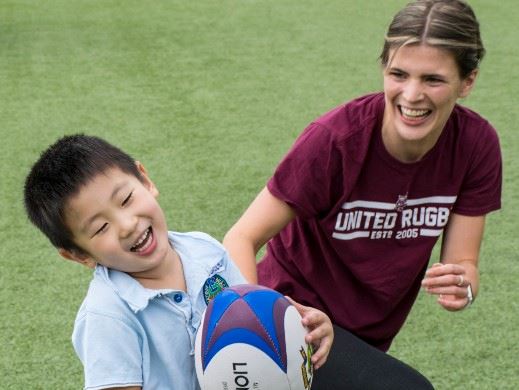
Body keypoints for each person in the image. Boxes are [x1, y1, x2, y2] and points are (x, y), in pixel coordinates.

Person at [223, 0, 502, 388]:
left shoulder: (476, 145)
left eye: (433, 79)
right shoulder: (335, 140)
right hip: (293, 316)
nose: (411, 94)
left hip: (363, 338)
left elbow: (463, 263)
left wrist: (463, 285)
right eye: (398, 74)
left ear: (467, 81)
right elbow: (242, 237)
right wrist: (257, 326)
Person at [23, 134, 333, 390]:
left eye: (126, 199)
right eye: (101, 228)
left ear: (145, 180)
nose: (127, 225)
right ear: (79, 255)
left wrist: (302, 330)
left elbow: (251, 318)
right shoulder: (108, 317)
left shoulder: (206, 252)